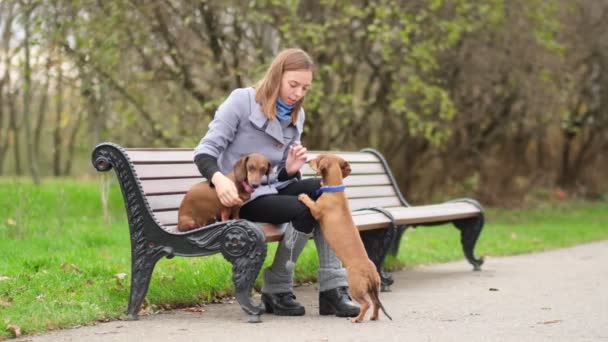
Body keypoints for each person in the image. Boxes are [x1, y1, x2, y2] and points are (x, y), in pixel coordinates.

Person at [193, 48, 359, 317]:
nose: (298, 94)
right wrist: (219, 179)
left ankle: (333, 288)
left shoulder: (297, 117)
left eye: (305, 88)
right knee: (305, 208)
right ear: (276, 76)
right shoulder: (242, 101)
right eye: (293, 85)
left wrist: (290, 169)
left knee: (325, 192)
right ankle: (277, 287)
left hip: (270, 190)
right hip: (240, 197)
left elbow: (277, 178)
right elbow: (204, 151)